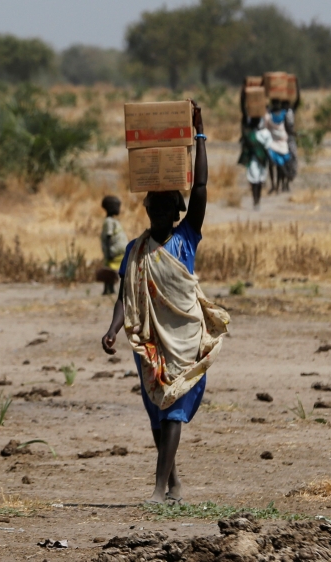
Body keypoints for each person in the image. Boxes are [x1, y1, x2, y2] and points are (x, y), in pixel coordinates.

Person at [100, 101, 230, 505]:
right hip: (150, 339)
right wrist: (113, 327)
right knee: (157, 412)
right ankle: (172, 483)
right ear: (148, 209)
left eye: (166, 206)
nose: (158, 211)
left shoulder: (186, 237)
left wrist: (200, 136)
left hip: (184, 338)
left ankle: (158, 490)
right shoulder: (136, 249)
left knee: (173, 409)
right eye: (152, 206)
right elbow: (126, 292)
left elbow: (203, 188)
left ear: (176, 210)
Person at [238, 89, 272, 209]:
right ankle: (255, 201)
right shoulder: (248, 130)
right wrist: (243, 97)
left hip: (261, 159)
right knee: (254, 181)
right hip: (253, 159)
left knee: (259, 181)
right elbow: (243, 110)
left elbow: (267, 148)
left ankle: (257, 200)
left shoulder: (265, 133)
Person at [99, 195, 128, 295]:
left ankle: (112, 289)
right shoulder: (109, 222)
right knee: (110, 271)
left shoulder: (113, 221)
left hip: (119, 252)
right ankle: (108, 289)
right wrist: (108, 252)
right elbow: (108, 236)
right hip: (113, 252)